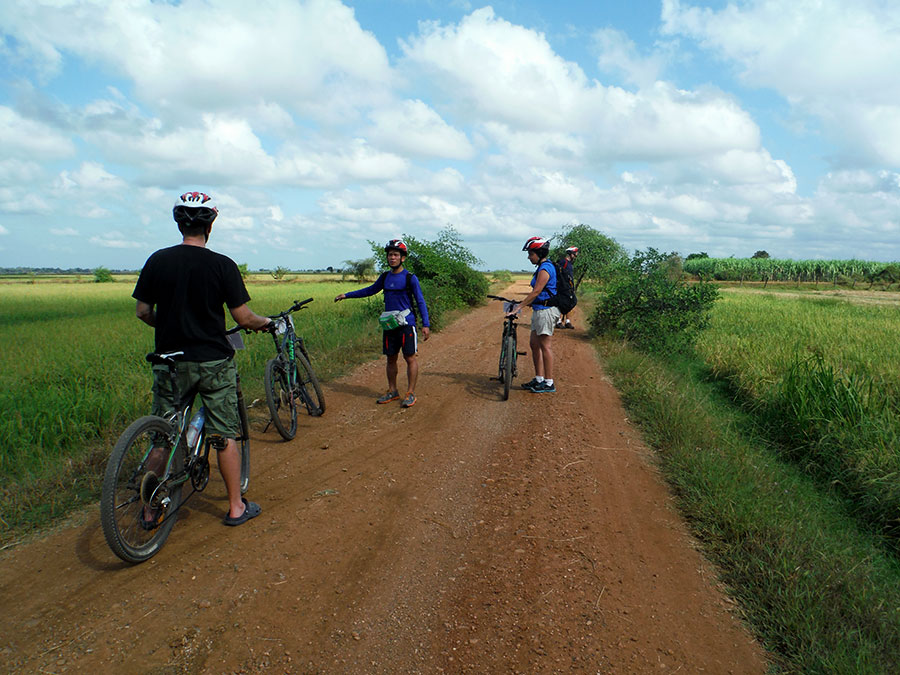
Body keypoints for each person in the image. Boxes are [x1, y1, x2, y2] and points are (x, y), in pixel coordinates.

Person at [133, 191, 273, 527]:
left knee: (164, 434)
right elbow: (243, 318)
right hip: (212, 362)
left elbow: (143, 311)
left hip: (169, 361)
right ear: (211, 223)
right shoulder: (222, 265)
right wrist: (264, 322)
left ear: (179, 223)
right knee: (223, 433)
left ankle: (150, 509)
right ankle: (236, 507)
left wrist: (167, 325)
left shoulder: (157, 260)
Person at [334, 239, 430, 407]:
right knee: (390, 359)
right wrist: (347, 295)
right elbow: (370, 290)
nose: (392, 258)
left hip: (406, 324)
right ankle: (392, 391)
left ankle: (410, 393)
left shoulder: (410, 278)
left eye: (395, 255)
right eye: (390, 255)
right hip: (390, 325)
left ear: (403, 258)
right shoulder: (385, 277)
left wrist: (426, 324)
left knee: (410, 358)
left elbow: (420, 301)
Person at [509, 236, 559, 393]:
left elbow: (537, 291)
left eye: (531, 254)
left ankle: (549, 383)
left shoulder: (545, 269)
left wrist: (519, 306)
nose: (529, 257)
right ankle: (539, 379)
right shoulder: (543, 267)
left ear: (539, 253)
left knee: (545, 346)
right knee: (534, 344)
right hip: (539, 310)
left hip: (546, 311)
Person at [556, 246, 579, 329]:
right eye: (575, 254)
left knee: (569, 302)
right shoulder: (563, 262)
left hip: (569, 287)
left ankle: (567, 321)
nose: (576, 256)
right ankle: (558, 321)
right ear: (571, 254)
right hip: (562, 287)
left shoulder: (569, 264)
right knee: (561, 303)